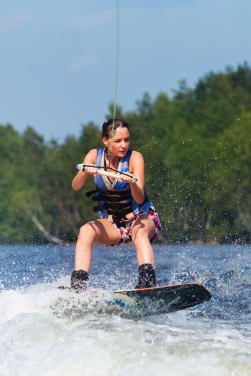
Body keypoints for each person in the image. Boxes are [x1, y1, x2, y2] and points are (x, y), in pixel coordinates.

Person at [70, 119, 162, 291]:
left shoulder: (135, 158)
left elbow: (140, 198)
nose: (123, 145)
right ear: (106, 141)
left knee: (139, 232)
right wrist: (84, 172)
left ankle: (147, 284)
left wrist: (132, 182)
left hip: (141, 218)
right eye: (118, 141)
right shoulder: (93, 156)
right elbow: (75, 186)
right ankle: (78, 287)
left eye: (127, 140)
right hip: (113, 224)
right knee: (85, 230)